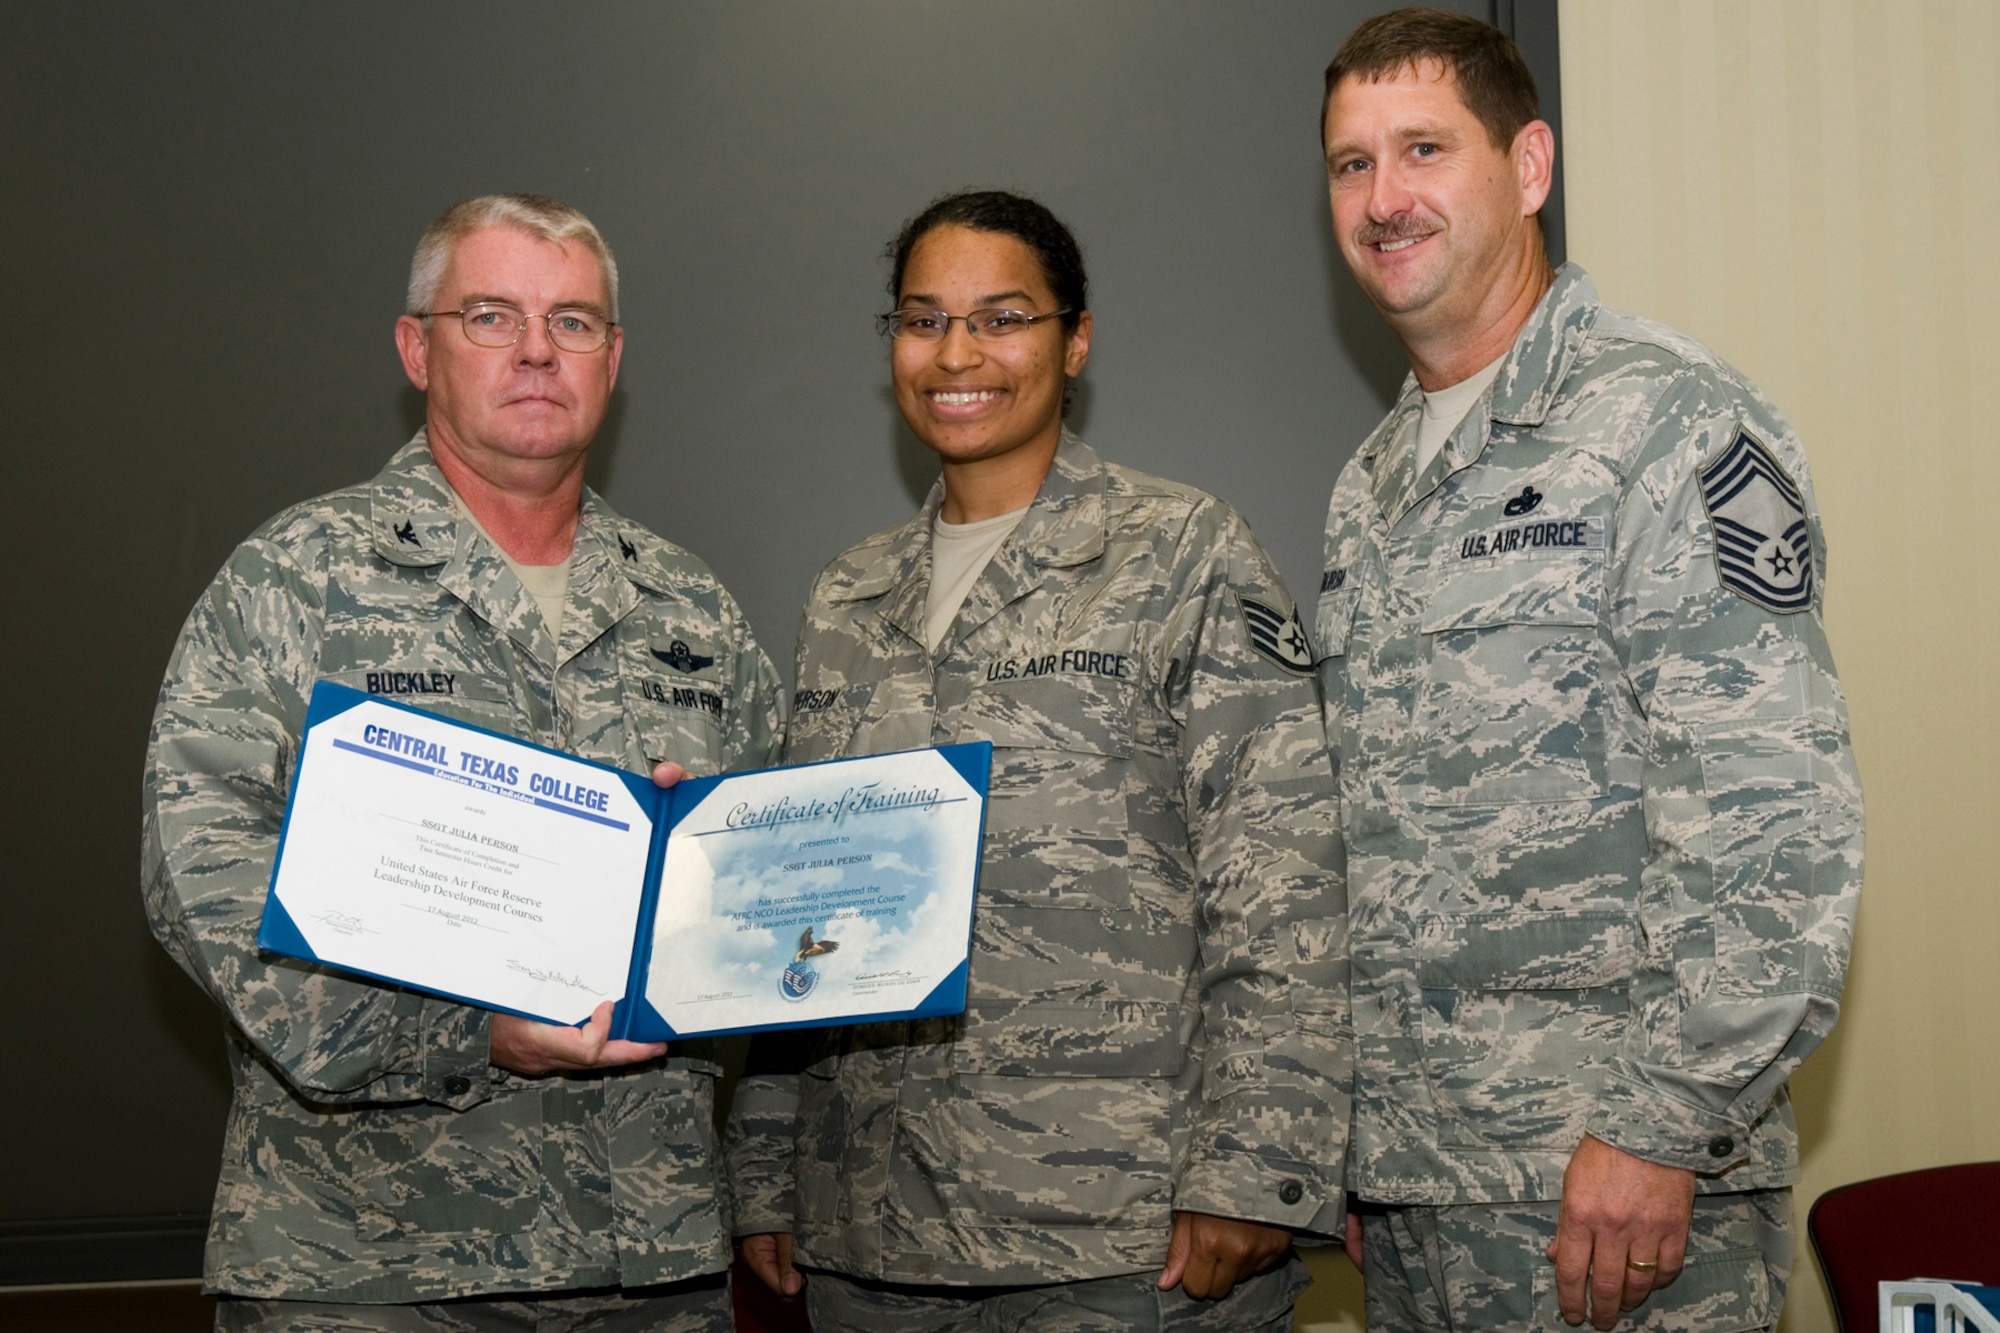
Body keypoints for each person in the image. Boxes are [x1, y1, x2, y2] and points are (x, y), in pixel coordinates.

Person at [1312, 10, 1864, 1332]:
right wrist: (1355, 1129)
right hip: (1416, 1199)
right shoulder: (1369, 487)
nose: (1385, 198)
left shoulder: (1668, 418)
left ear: (1532, 165)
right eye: (1349, 164)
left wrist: (1662, 1124)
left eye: (1426, 149)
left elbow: (1770, 813)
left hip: (1610, 1202)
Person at [142, 193, 783, 1331]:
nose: (537, 349)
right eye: (490, 315)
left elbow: (774, 900)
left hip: (649, 1263)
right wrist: (462, 1033)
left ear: (612, 357)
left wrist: (705, 871)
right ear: (416, 347)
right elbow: (201, 878)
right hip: (372, 1261)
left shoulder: (691, 608)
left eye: (573, 322)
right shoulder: (297, 577)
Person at [723, 190, 1349, 1331]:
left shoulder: (1181, 553)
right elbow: (794, 912)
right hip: (871, 1240)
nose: (956, 353)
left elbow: (1286, 880)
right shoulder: (846, 598)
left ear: (1075, 339)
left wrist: (1257, 1168)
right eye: (921, 320)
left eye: (1000, 316)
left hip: (1119, 1234)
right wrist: (767, 1171)